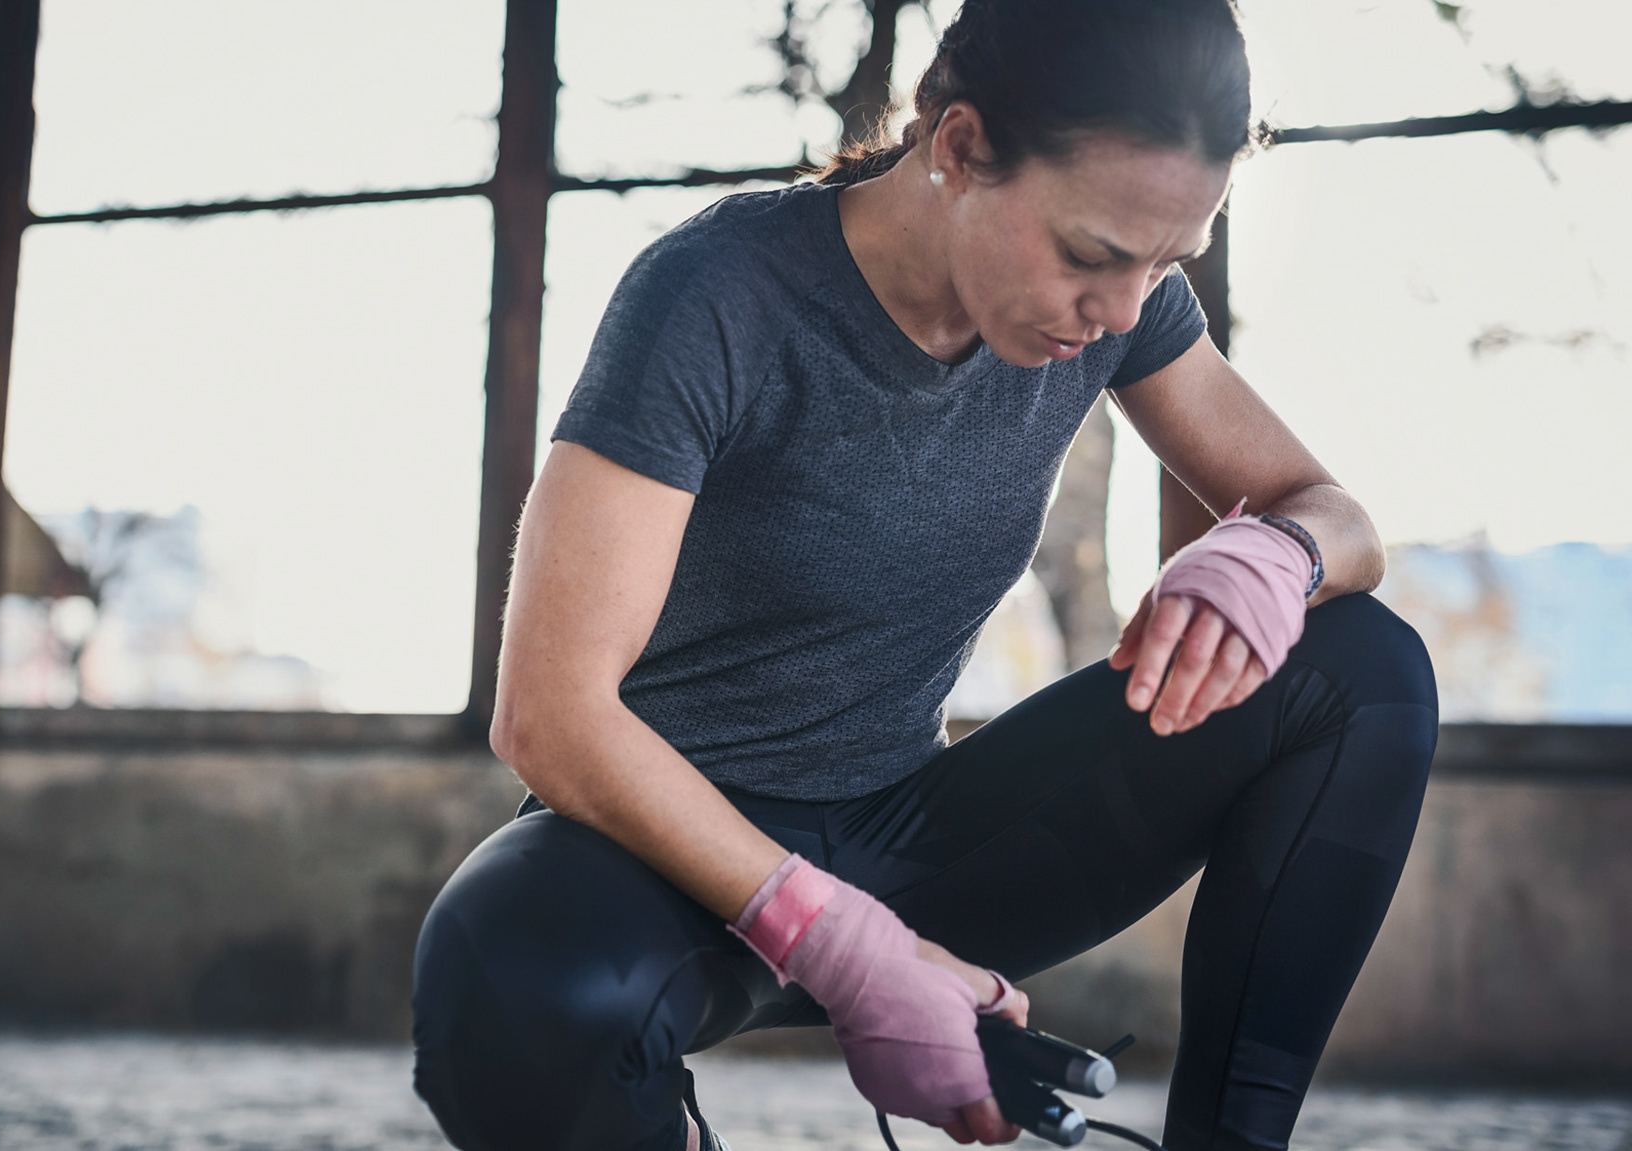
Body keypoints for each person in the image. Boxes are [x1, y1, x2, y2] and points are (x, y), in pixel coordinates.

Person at [413, 1, 1439, 1147]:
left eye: (1165, 263)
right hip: (666, 858)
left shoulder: (1123, 312)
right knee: (500, 981)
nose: (1121, 309)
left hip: (912, 836)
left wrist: (1275, 554)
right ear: (959, 143)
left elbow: (1338, 519)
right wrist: (842, 941)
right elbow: (547, 713)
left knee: (1362, 669)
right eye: (1092, 255)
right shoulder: (715, 294)